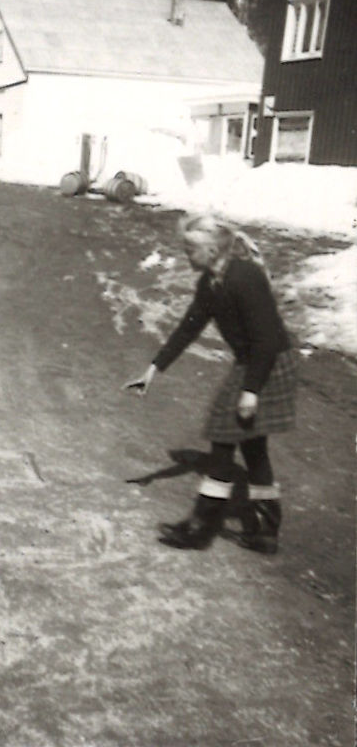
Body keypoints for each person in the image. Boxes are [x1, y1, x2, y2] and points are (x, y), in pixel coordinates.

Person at [124, 214, 298, 553]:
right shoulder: (210, 283)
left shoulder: (245, 276)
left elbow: (264, 339)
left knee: (223, 434)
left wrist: (250, 391)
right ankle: (264, 530)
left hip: (270, 362)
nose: (186, 255)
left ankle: (200, 528)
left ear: (213, 249)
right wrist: (154, 369)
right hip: (256, 362)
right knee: (252, 445)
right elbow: (189, 327)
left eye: (191, 248)